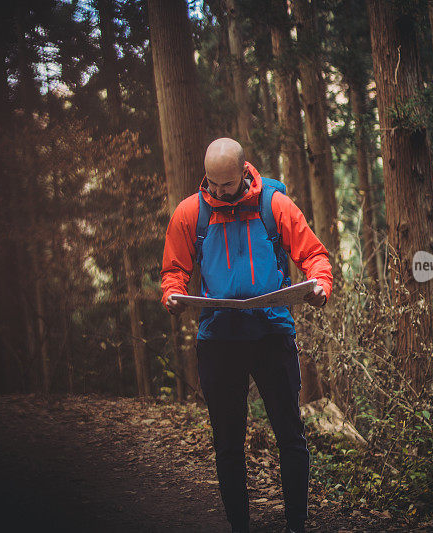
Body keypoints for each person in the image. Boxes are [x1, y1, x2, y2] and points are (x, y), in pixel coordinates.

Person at [160, 137, 333, 533]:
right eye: (212, 183)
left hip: (271, 333)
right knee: (227, 441)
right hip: (219, 339)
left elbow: (314, 255)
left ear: (244, 170)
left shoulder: (275, 205)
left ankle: (296, 524)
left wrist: (319, 284)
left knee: (290, 434)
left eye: (226, 183)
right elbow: (174, 270)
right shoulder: (190, 213)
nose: (218, 191)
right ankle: (240, 525)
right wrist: (172, 295)